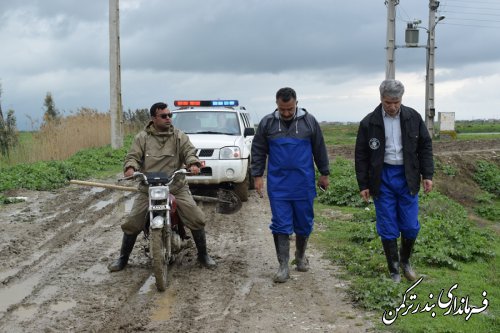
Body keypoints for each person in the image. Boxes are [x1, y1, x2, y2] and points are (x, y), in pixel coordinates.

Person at [108, 102, 217, 272]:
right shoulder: (142, 137)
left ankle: (203, 256)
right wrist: (130, 168)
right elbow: (133, 156)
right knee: (132, 222)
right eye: (164, 116)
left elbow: (189, 152)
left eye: (169, 115)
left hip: (176, 186)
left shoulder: (179, 136)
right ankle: (123, 258)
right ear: (153, 118)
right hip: (148, 188)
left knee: (196, 218)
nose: (168, 119)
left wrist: (193, 163)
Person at [354, 79, 434, 283]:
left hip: (408, 176)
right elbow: (361, 155)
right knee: (388, 224)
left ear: (401, 99)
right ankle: (394, 270)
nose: (392, 106)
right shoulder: (369, 122)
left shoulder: (413, 117)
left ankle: (405, 261)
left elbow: (425, 146)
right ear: (381, 98)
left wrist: (428, 175)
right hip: (382, 178)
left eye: (396, 102)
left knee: (410, 225)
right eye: (388, 102)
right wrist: (363, 184)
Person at [251, 87, 330, 283]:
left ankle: (300, 257)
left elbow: (319, 148)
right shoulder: (267, 123)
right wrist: (257, 175)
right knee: (280, 223)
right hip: (278, 184)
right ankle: (283, 266)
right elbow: (258, 150)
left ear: (297, 103)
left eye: (290, 109)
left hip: (303, 182)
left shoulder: (309, 122)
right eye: (282, 109)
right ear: (277, 105)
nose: (286, 113)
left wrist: (324, 173)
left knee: (304, 223)